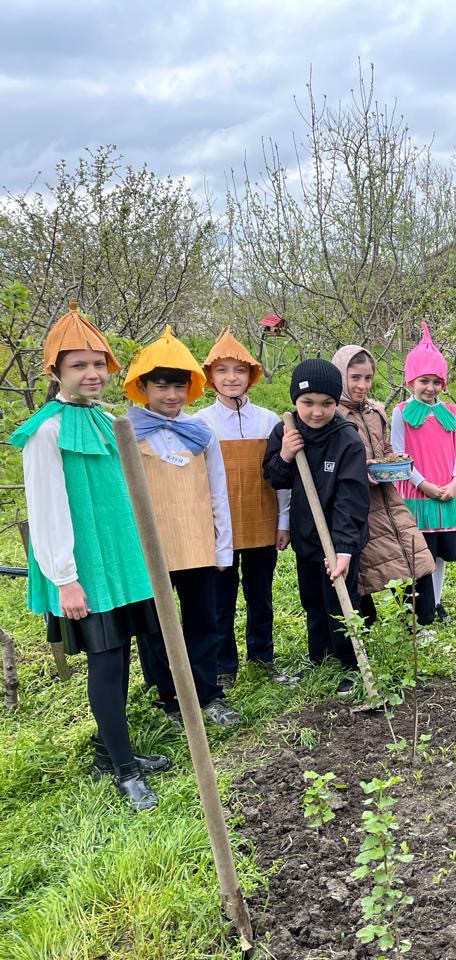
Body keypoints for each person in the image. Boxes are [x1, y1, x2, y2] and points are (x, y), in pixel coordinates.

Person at [9, 302, 171, 811]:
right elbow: (48, 508)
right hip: (86, 570)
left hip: (121, 561)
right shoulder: (47, 431)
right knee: (105, 662)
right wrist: (65, 578)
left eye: (98, 363)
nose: (93, 373)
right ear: (55, 371)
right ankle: (122, 769)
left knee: (121, 655)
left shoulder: (104, 421)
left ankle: (112, 750)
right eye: (79, 365)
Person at [124, 326, 240, 728]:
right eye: (161, 386)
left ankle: (208, 692)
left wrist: (223, 546)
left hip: (196, 543)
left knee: (204, 619)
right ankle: (170, 698)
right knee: (156, 627)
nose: (171, 395)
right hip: (151, 548)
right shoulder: (125, 433)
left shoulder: (201, 433)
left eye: (178, 387)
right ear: (143, 387)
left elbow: (218, 493)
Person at [195, 329, 297, 687]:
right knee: (221, 600)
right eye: (222, 370)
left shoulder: (269, 420)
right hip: (219, 526)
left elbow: (282, 476)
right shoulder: (200, 423)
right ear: (211, 377)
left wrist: (283, 521)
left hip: (262, 520)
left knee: (261, 595)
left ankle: (263, 657)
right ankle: (224, 667)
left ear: (251, 375)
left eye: (239, 370)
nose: (231, 378)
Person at [264, 359, 370, 695]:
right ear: (295, 401)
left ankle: (351, 664)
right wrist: (283, 455)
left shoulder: (347, 440)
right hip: (306, 537)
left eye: (326, 403)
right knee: (313, 600)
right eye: (307, 403)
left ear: (336, 404)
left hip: (340, 540)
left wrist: (343, 549)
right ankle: (321, 658)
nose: (316, 412)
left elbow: (351, 499)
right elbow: (273, 477)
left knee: (341, 601)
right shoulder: (286, 431)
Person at [332, 344, 436, 628]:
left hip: (388, 498)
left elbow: (385, 447)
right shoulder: (334, 416)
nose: (362, 385)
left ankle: (419, 623)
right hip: (357, 504)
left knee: (413, 555)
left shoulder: (376, 411)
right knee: (367, 564)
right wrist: (359, 472)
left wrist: (395, 461)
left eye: (367, 378)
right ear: (341, 376)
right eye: (354, 377)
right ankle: (361, 629)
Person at [391, 324, 456, 624]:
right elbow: (400, 456)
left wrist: (455, 481)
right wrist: (424, 485)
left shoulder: (450, 411)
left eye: (437, 382)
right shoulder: (401, 412)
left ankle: (435, 603)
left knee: (439, 556)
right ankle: (411, 608)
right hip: (416, 496)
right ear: (412, 380)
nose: (430, 388)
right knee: (415, 553)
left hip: (448, 496)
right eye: (424, 381)